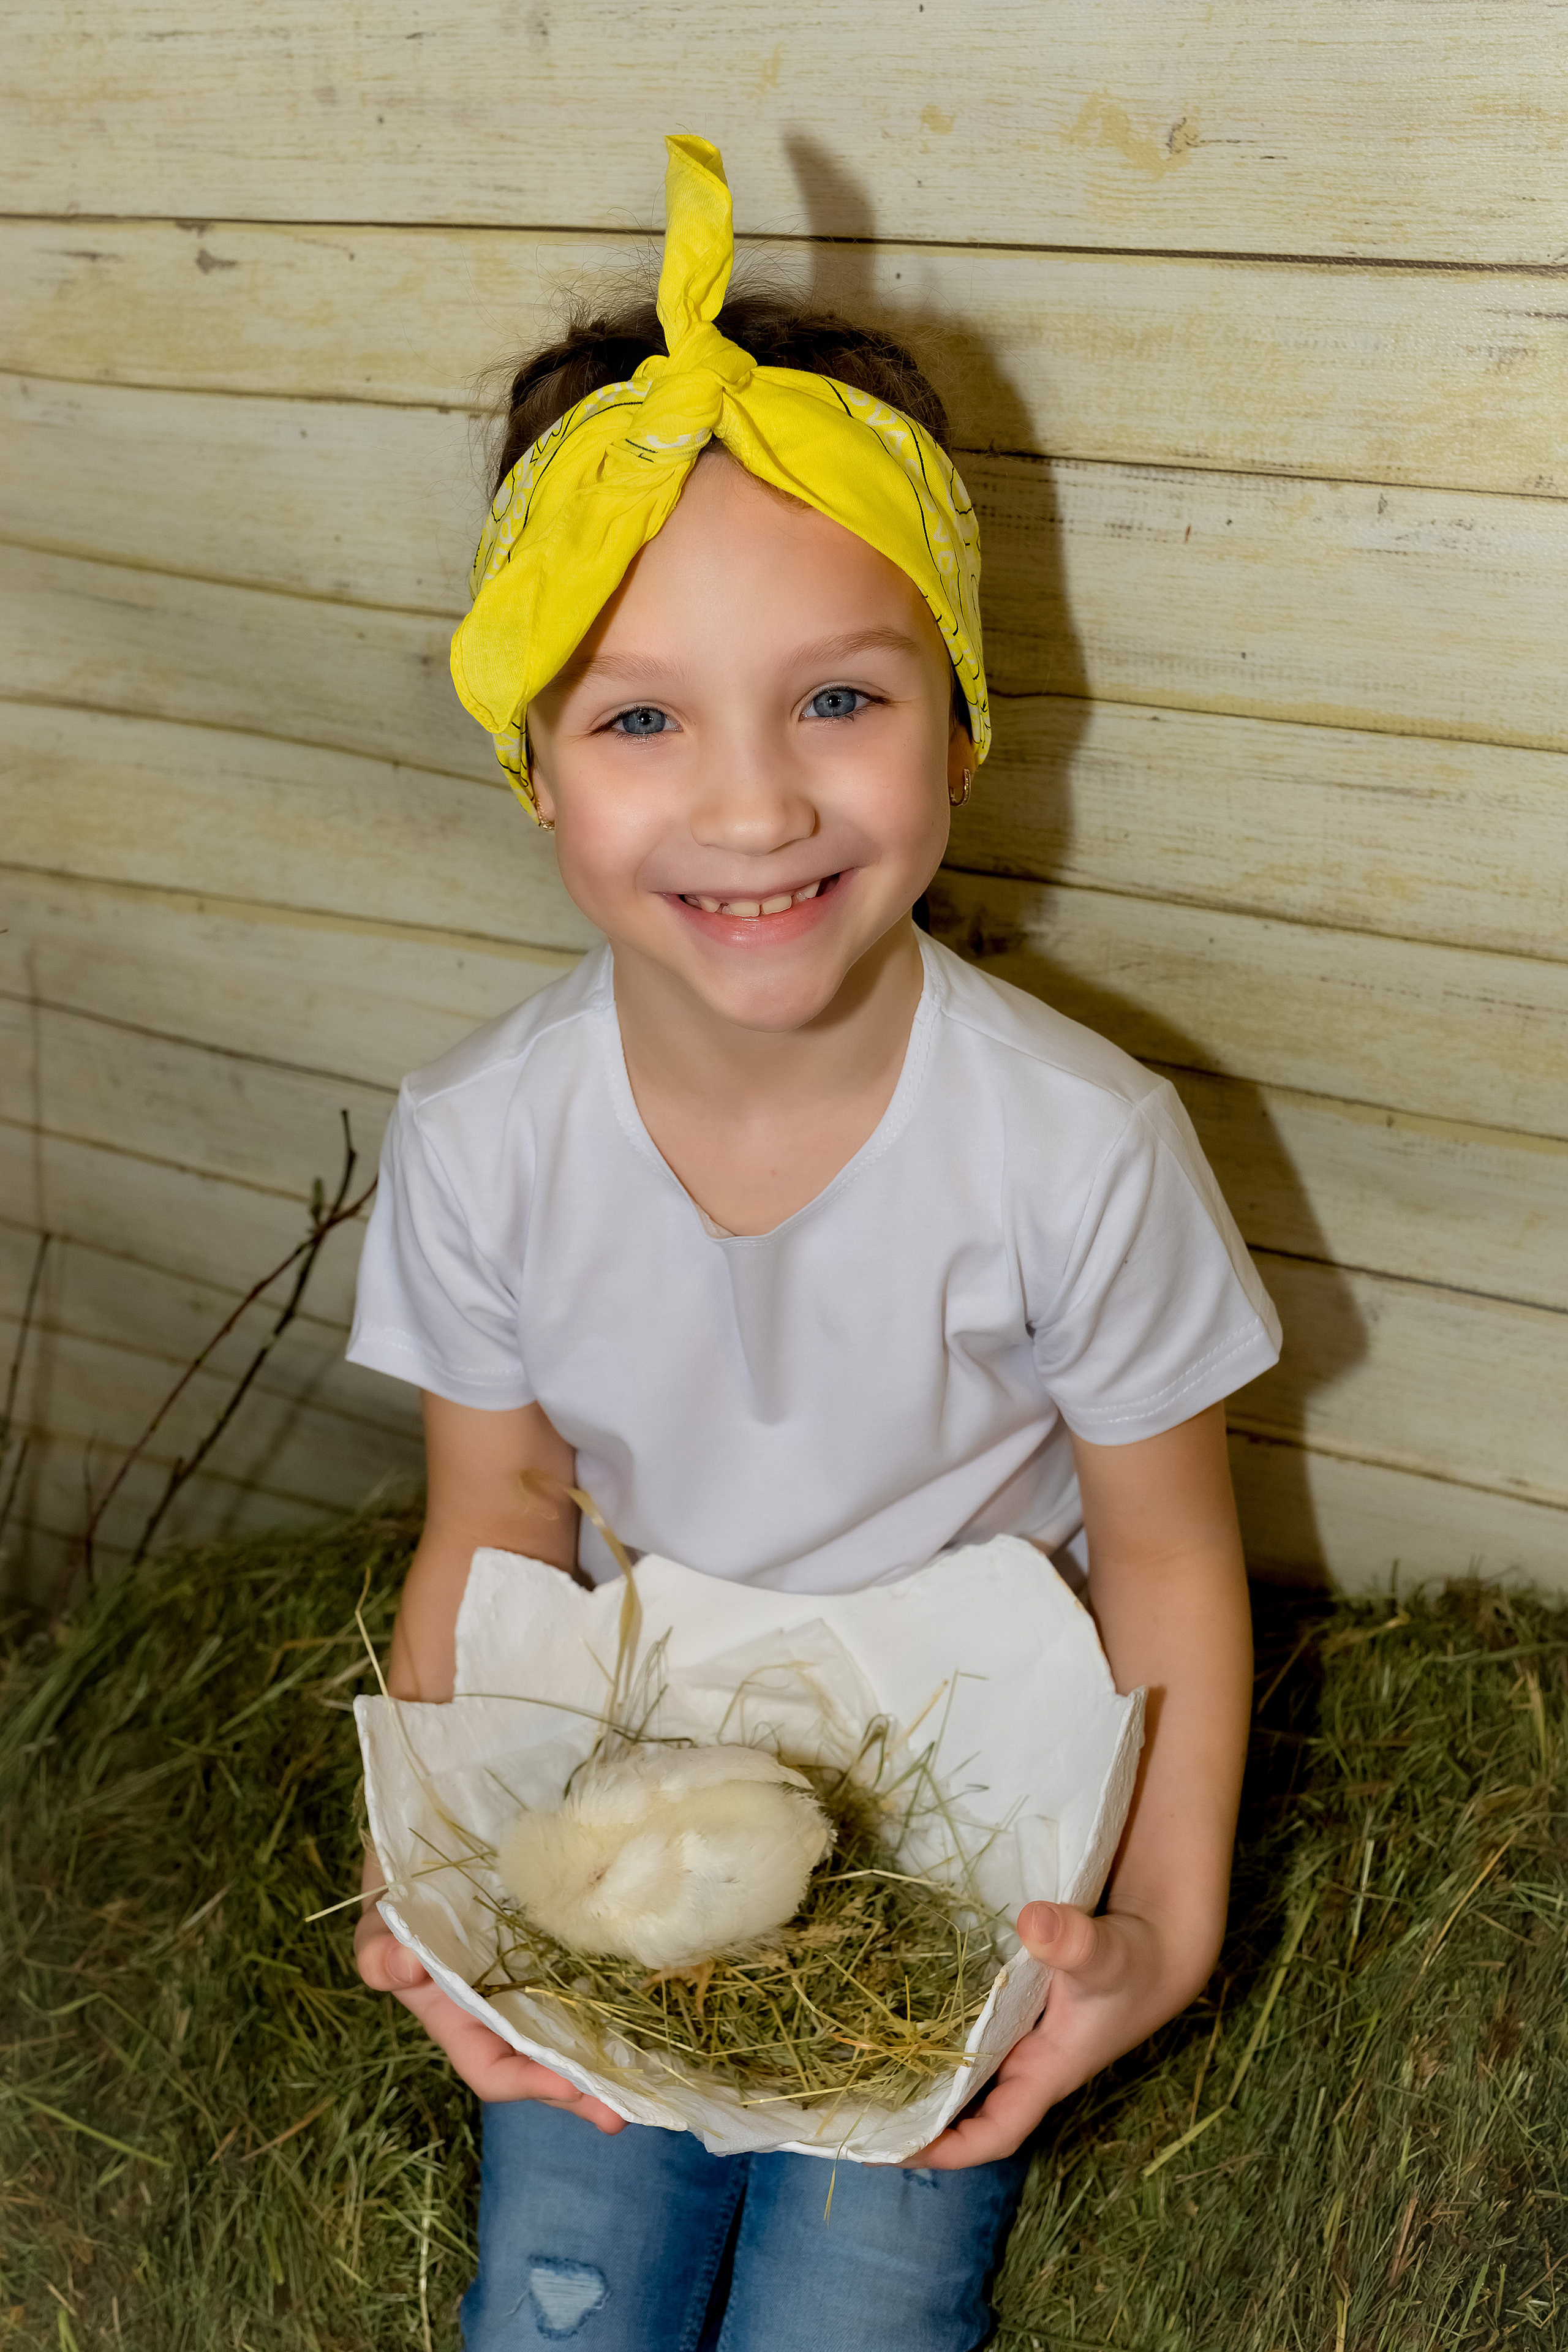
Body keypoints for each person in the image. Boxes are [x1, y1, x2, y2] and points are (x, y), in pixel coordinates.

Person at [349, 135, 1281, 2352]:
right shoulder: (484, 1137)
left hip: (973, 1810)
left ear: (961, 721)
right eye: (643, 715)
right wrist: (452, 1871)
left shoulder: (1077, 1146)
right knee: (563, 2292)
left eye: (839, 699)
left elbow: (1163, 1559)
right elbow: (496, 1512)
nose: (755, 805)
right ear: (535, 767)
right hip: (635, 1795)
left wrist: (1161, 1932)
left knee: (854, 2301)